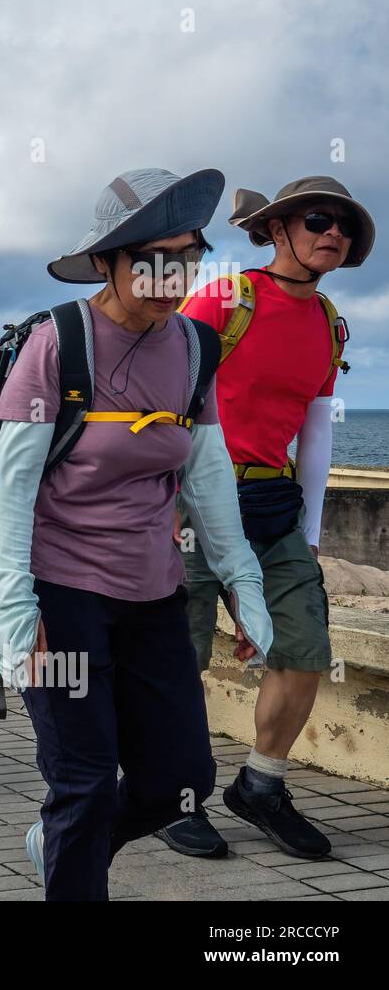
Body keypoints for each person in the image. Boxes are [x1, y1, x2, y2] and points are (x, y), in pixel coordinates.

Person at [0, 168, 274, 900]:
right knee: (83, 784)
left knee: (181, 780)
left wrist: (243, 582)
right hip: (59, 596)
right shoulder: (58, 344)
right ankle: (72, 849)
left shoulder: (194, 350)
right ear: (108, 262)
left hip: (153, 595)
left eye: (184, 257)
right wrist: (17, 613)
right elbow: (14, 492)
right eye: (148, 257)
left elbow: (207, 481)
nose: (167, 275)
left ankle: (61, 845)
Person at [158, 177, 375, 862]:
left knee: (304, 648)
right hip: (194, 498)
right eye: (318, 219)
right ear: (278, 230)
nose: (332, 232)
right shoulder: (227, 298)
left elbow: (315, 432)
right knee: (177, 656)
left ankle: (261, 786)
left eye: (344, 225)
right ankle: (169, 796)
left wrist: (309, 540)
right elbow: (169, 394)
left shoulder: (328, 321)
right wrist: (159, 501)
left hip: (272, 507)